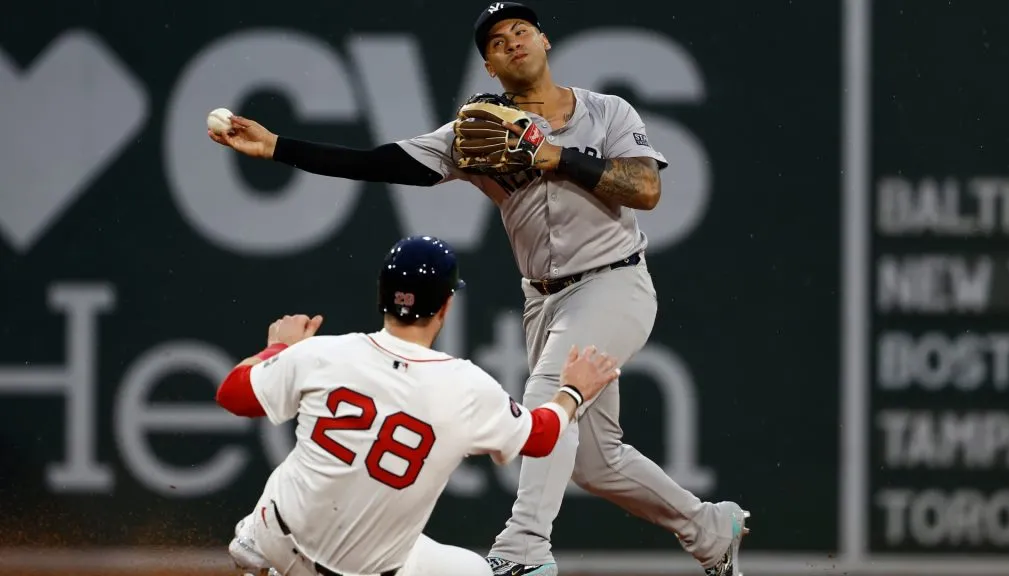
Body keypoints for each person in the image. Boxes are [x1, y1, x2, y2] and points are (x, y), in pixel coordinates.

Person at [207, 3, 749, 575]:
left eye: (520, 30)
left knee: (548, 392)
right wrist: (279, 147)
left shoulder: (606, 111)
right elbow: (385, 163)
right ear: (489, 66)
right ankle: (709, 529)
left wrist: (556, 156)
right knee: (594, 461)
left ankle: (523, 553)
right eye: (496, 40)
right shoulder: (476, 131)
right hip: (544, 297)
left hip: (615, 281)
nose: (511, 41)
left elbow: (644, 189)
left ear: (543, 40)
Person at [214, 235, 621, 576]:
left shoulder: (324, 353)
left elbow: (232, 394)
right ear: (445, 306)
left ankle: (256, 533)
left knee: (306, 462)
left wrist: (278, 349)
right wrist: (572, 391)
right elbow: (542, 436)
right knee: (477, 573)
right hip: (360, 572)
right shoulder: (465, 386)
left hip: (278, 535)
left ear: (382, 296)